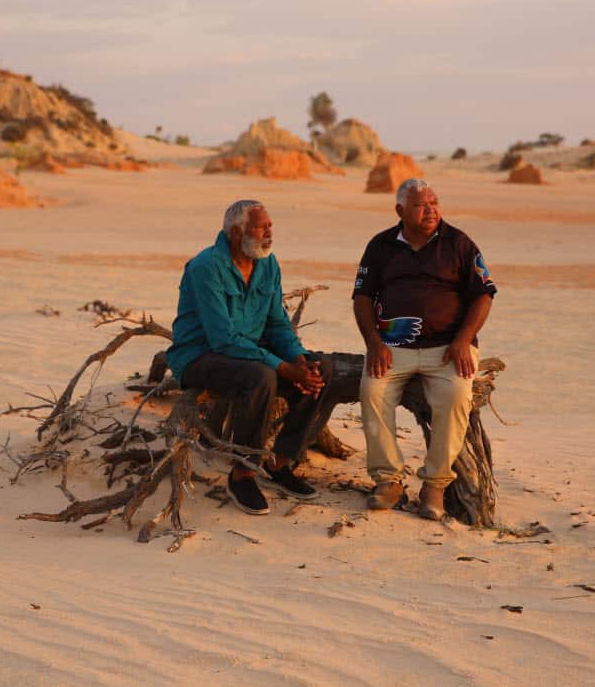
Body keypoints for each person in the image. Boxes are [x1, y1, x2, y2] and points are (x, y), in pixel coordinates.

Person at [167, 200, 333, 515]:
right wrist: (282, 367)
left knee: (321, 367)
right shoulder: (207, 267)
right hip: (200, 356)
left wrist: (297, 359)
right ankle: (242, 474)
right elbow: (224, 339)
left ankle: (280, 464)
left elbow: (276, 323)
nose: (269, 233)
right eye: (261, 227)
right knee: (261, 377)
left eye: (270, 225)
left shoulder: (267, 264)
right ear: (236, 231)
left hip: (248, 351)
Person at [352, 178, 496, 520]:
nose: (430, 209)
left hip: (448, 347)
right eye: (421, 205)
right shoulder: (381, 245)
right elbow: (361, 298)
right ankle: (388, 481)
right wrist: (373, 343)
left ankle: (435, 485)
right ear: (401, 211)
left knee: (457, 396)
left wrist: (463, 340)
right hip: (392, 346)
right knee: (372, 391)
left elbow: (483, 295)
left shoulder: (459, 244)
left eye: (434, 202)